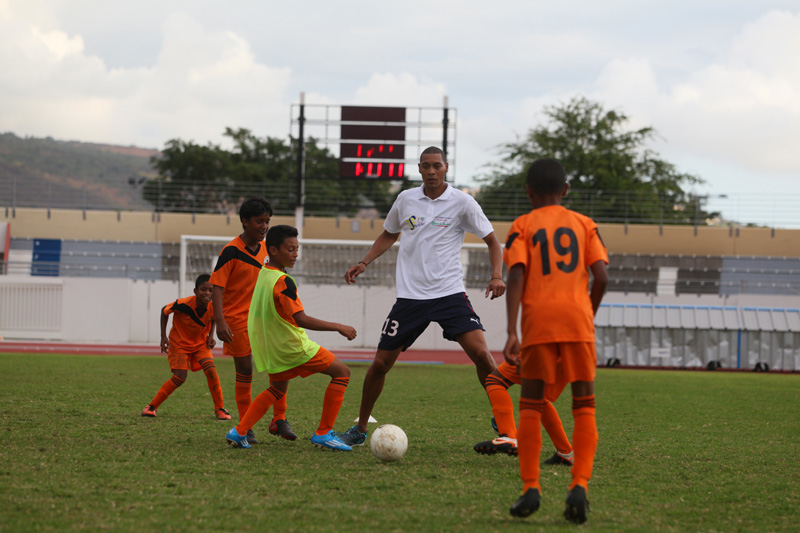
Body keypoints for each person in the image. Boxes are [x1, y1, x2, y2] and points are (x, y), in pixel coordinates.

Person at [339, 146, 506, 446]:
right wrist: (365, 261)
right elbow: (389, 233)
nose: (431, 171)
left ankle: (502, 417)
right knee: (379, 365)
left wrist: (496, 275)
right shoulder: (406, 199)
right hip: (410, 298)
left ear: (446, 167)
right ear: (419, 168)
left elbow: (493, 241)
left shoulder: (462, 202)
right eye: (426, 166)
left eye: (437, 166)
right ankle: (360, 429)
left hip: (449, 294)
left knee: (482, 355)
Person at [503, 158, 608, 524]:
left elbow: (516, 275)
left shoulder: (523, 224)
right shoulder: (584, 224)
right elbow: (602, 277)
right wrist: (587, 314)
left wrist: (512, 330)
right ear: (565, 191)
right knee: (585, 406)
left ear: (528, 191)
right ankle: (578, 483)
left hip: (539, 324)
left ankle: (531, 487)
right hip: (578, 322)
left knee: (531, 404)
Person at [226, 225, 357, 450]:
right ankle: (324, 433)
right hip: (293, 346)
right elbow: (301, 319)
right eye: (290, 249)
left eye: (297, 249)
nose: (295, 254)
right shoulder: (283, 281)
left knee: (277, 389)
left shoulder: (264, 273)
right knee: (342, 373)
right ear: (274, 250)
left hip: (273, 346)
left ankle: (239, 431)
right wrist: (338, 326)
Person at [210, 198, 295, 444]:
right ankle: (245, 426)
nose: (264, 226)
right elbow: (217, 287)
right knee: (245, 370)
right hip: (236, 319)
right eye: (259, 221)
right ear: (245, 221)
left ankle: (279, 419)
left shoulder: (270, 250)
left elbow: (279, 281)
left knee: (280, 366)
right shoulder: (231, 251)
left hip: (265, 319)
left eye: (267, 221)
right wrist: (220, 322)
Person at [141, 274, 230, 420]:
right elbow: (164, 311)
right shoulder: (183, 304)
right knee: (180, 377)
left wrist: (210, 335)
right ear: (195, 291)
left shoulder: (214, 306)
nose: (207, 293)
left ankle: (220, 408)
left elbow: (214, 318)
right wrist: (163, 336)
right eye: (203, 289)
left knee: (211, 371)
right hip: (179, 344)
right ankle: (151, 407)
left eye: (210, 290)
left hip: (200, 343)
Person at [473, 361, 574, 466]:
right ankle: (566, 452)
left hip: (549, 347)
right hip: (572, 353)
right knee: (535, 394)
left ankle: (510, 436)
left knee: (495, 380)